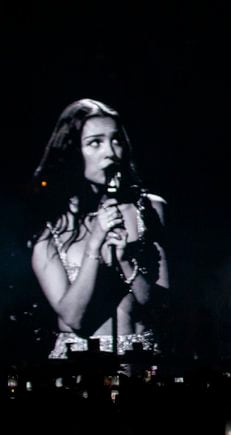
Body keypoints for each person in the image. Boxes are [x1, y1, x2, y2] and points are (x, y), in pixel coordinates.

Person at [29, 98, 169, 372]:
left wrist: (126, 261)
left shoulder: (151, 209)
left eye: (116, 140)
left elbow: (162, 308)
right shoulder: (51, 226)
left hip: (143, 363)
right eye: (95, 142)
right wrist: (94, 248)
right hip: (81, 369)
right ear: (72, 151)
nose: (111, 152)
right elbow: (74, 318)